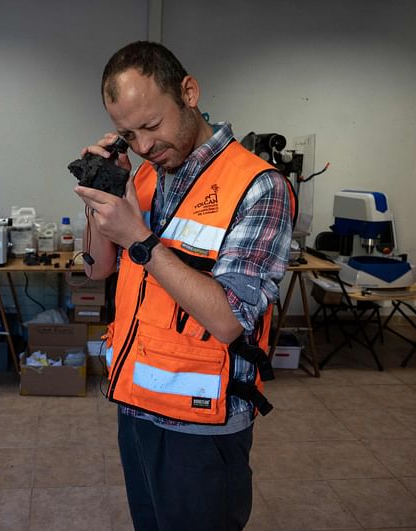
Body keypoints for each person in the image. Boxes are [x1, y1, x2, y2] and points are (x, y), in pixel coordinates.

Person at [74, 41, 294, 531]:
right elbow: (97, 269)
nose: (145, 146)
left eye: (152, 126)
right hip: (135, 404)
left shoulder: (259, 187)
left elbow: (229, 318)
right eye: (130, 135)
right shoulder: (148, 174)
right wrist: (104, 196)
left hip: (204, 423)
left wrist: (141, 237)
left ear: (189, 92)